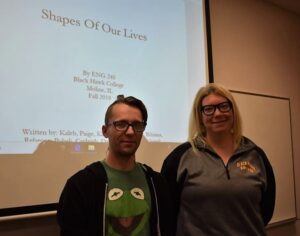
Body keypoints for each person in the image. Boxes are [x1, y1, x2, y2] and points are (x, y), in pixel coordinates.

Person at [161, 83, 276, 236]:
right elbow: (167, 214)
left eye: (223, 106)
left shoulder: (256, 155)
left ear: (233, 111)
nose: (217, 114)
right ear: (200, 116)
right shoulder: (180, 158)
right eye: (208, 109)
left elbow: (266, 210)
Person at [57, 95, 171, 236]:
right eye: (121, 124)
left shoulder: (156, 183)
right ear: (105, 131)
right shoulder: (80, 185)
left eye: (137, 125)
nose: (130, 132)